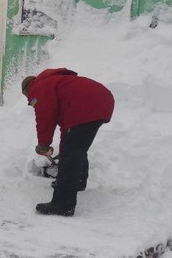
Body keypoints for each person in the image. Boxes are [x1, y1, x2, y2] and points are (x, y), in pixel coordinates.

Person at [21, 68, 115, 216]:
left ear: (27, 90)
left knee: (70, 156)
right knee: (75, 148)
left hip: (86, 107)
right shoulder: (54, 82)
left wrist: (43, 145)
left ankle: (63, 204)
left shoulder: (38, 88)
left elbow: (45, 117)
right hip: (101, 101)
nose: (30, 100)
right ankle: (77, 182)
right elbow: (65, 122)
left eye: (27, 97)